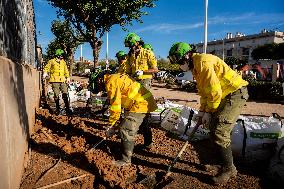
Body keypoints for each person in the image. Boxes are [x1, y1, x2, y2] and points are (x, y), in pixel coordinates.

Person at [168, 42, 249, 185]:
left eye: (180, 61)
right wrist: (202, 111)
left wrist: (209, 112)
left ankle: (230, 169)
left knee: (219, 130)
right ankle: (222, 163)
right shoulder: (196, 67)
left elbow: (214, 91)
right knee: (213, 130)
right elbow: (205, 93)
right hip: (222, 95)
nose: (180, 65)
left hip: (234, 93)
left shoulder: (203, 62)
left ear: (188, 55)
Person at [92, 72, 157, 167]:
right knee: (143, 123)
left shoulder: (110, 82)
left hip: (139, 103)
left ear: (99, 80)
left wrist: (111, 125)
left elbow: (115, 106)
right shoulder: (114, 77)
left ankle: (125, 160)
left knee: (125, 130)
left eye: (100, 88)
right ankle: (148, 144)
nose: (102, 90)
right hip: (145, 100)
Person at [43, 49, 72, 115]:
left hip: (63, 80)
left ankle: (67, 109)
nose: (63, 56)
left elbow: (66, 70)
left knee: (65, 93)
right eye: (62, 55)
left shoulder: (63, 62)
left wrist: (67, 77)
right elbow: (47, 67)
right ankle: (58, 109)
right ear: (58, 55)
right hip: (54, 80)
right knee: (56, 94)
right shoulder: (52, 61)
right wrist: (45, 72)